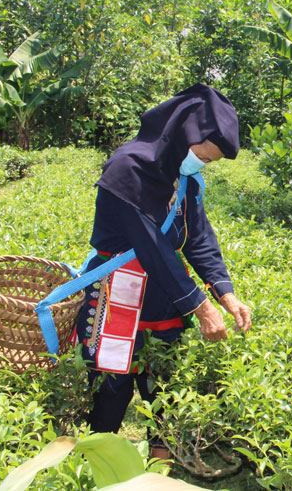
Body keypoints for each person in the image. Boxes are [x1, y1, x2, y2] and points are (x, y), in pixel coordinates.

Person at [74, 83, 252, 459]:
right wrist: (202, 308)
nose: (202, 165)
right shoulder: (127, 169)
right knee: (112, 387)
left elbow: (198, 238)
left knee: (163, 388)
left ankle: (160, 469)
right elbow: (152, 246)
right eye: (203, 156)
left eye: (210, 162)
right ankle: (100, 466)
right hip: (117, 292)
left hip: (163, 297)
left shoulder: (183, 177)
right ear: (183, 137)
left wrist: (226, 293)